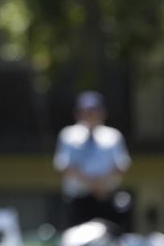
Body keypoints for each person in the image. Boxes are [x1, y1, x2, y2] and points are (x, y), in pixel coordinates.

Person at [54, 91, 132, 231]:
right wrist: (92, 185)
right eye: (86, 111)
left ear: (102, 112)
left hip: (106, 199)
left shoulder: (113, 136)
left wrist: (102, 185)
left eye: (93, 110)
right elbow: (65, 166)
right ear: (77, 113)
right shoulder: (68, 135)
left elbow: (121, 166)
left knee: (109, 239)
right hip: (79, 200)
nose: (90, 115)